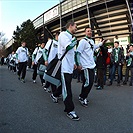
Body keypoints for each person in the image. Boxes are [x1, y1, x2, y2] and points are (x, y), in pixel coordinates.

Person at [50, 20, 79, 121]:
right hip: (64, 67)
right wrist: (75, 40)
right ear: (70, 26)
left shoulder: (70, 37)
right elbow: (69, 46)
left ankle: (55, 94)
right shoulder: (63, 35)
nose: (76, 28)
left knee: (65, 85)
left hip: (70, 66)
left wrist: (74, 63)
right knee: (67, 88)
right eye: (75, 26)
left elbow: (72, 52)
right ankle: (69, 110)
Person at [76, 26, 106, 107]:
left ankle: (82, 96)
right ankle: (82, 97)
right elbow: (78, 53)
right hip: (85, 66)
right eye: (88, 31)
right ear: (85, 32)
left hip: (91, 65)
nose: (90, 32)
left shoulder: (91, 41)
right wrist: (78, 64)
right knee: (88, 83)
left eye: (90, 31)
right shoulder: (82, 41)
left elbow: (94, 47)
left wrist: (101, 43)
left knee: (90, 82)